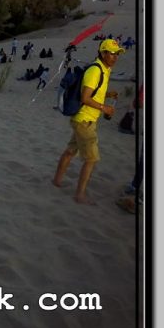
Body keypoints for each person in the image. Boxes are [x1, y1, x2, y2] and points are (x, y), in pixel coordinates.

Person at [52, 38, 124, 204]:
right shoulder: (95, 71)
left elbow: (92, 93)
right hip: (84, 120)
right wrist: (105, 108)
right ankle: (80, 195)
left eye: (117, 54)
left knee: (70, 151)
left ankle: (56, 181)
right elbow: (85, 98)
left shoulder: (105, 70)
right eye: (111, 53)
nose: (115, 57)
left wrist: (107, 95)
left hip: (84, 119)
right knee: (91, 159)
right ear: (103, 53)